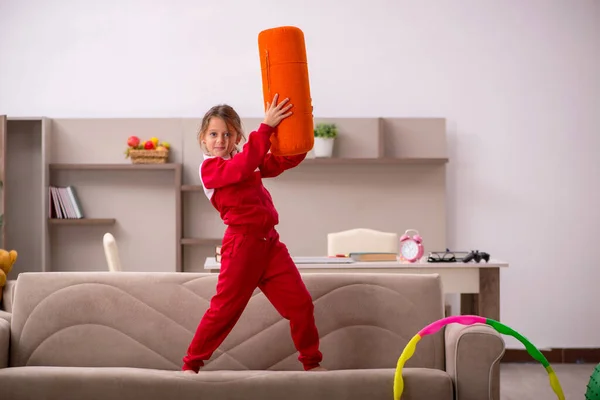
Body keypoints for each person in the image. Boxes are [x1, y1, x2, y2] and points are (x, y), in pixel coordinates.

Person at [182, 94, 325, 373]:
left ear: (237, 138)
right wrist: (266, 127)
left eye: (228, 134)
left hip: (269, 244)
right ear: (202, 137)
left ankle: (312, 364)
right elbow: (242, 167)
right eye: (213, 134)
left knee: (301, 305)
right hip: (242, 245)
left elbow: (279, 162)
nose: (220, 140)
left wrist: (301, 130)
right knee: (224, 310)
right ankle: (191, 365)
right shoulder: (210, 168)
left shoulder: (245, 158)